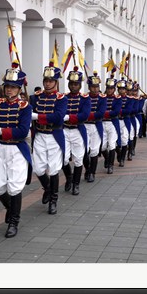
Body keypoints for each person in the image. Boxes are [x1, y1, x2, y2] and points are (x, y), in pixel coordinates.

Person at [0, 60, 32, 237]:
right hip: (0, 149)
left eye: (13, 87)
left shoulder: (25, 107)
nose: (9, 90)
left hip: (16, 149)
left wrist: (3, 131)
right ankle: (11, 208)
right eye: (7, 86)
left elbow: (22, 131)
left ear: (20, 89)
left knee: (14, 187)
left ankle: (14, 221)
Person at [31, 60, 67, 215]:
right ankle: (47, 188)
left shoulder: (61, 98)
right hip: (39, 134)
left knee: (53, 169)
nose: (47, 83)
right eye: (45, 80)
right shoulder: (35, 97)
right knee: (38, 168)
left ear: (56, 82)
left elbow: (58, 117)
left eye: (50, 80)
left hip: (54, 135)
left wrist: (38, 116)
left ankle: (53, 199)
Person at [61, 66, 91, 195]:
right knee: (63, 159)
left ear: (80, 85)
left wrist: (69, 117)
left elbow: (84, 115)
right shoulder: (62, 97)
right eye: (71, 84)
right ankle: (69, 177)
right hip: (64, 130)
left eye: (76, 84)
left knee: (78, 159)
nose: (73, 86)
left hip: (77, 130)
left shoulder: (85, 98)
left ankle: (76, 184)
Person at [83, 71, 106, 183]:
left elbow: (100, 113)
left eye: (97, 87)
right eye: (93, 87)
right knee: (83, 151)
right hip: (84, 126)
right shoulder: (84, 97)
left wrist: (86, 115)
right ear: (89, 87)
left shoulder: (102, 98)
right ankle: (87, 169)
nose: (95, 89)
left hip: (96, 126)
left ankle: (92, 172)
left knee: (94, 151)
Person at [101, 71, 122, 174]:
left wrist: (103, 113)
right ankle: (108, 158)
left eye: (111, 88)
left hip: (112, 124)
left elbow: (116, 112)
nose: (109, 90)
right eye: (108, 88)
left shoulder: (117, 99)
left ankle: (110, 165)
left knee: (112, 144)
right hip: (102, 123)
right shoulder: (101, 98)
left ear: (114, 89)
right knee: (103, 146)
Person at [115, 78, 132, 167]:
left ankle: (122, 159)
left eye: (123, 89)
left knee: (125, 140)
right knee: (114, 141)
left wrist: (117, 111)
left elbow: (128, 111)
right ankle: (119, 153)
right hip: (116, 121)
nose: (121, 90)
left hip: (125, 121)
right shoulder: (115, 98)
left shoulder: (129, 99)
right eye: (120, 89)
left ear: (126, 90)